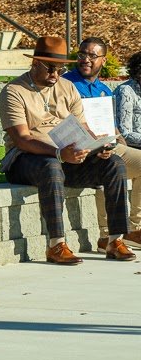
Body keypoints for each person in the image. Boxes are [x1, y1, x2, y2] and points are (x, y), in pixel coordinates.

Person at [0, 35, 134, 264]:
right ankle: (56, 244)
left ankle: (114, 239)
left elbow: (83, 128)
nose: (55, 74)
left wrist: (96, 147)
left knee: (114, 163)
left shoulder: (67, 87)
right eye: (51, 68)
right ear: (35, 64)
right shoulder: (14, 91)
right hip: (25, 160)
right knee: (51, 166)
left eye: (60, 69)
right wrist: (59, 154)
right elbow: (21, 139)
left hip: (67, 157)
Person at [62, 38, 141, 248]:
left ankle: (135, 229)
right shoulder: (65, 84)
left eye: (92, 56)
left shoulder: (104, 89)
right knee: (107, 162)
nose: (85, 60)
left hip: (107, 143)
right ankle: (106, 235)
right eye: (81, 55)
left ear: (104, 61)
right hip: (79, 147)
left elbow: (113, 128)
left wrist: (121, 141)